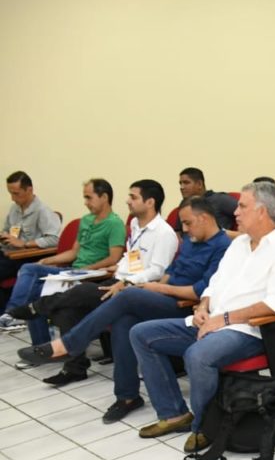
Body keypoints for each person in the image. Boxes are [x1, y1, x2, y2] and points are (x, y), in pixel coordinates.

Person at [129, 181, 275, 452]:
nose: (235, 212)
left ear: (262, 211)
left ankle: (205, 426)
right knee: (141, 334)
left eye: (242, 206)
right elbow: (213, 285)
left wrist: (223, 320)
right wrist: (203, 307)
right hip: (211, 321)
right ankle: (174, 413)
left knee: (198, 355)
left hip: (247, 330)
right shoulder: (238, 245)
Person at [15, 197, 231, 422]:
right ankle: (127, 397)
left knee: (127, 295)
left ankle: (70, 344)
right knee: (124, 320)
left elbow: (201, 291)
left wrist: (158, 288)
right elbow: (172, 271)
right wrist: (156, 290)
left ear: (204, 218)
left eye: (188, 223)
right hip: (164, 297)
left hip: (185, 308)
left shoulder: (223, 247)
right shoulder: (191, 240)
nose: (184, 230)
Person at [10, 180, 178, 386]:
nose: (127, 201)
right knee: (66, 310)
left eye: (133, 197)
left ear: (150, 202)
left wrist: (126, 280)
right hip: (118, 279)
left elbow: (157, 270)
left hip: (136, 289)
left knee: (83, 291)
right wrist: (118, 267)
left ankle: (38, 307)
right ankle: (75, 368)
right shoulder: (135, 225)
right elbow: (131, 257)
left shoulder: (164, 233)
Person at [0, 179, 125, 334]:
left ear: (104, 197)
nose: (85, 203)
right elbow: (74, 252)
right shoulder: (86, 220)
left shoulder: (115, 224)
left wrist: (86, 269)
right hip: (73, 271)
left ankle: (12, 315)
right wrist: (46, 261)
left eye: (89, 198)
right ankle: (15, 319)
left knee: (36, 292)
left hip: (92, 275)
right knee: (30, 269)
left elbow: (114, 258)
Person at [0, 171, 61, 286]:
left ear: (29, 190)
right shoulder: (14, 208)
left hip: (26, 258)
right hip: (8, 253)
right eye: (10, 193)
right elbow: (6, 230)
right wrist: (4, 236)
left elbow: (55, 239)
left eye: (16, 194)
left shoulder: (42, 211)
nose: (12, 198)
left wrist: (25, 244)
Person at [175, 167, 238, 232]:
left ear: (199, 184)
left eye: (186, 183)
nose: (182, 187)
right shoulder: (184, 205)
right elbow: (178, 232)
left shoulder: (220, 199)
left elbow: (243, 212)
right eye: (180, 183)